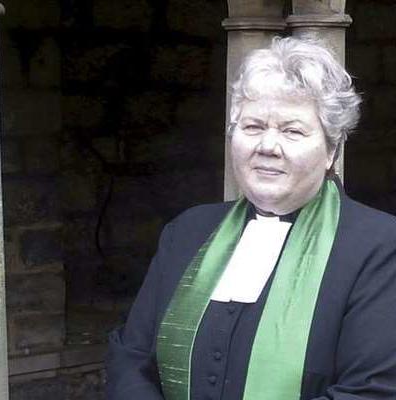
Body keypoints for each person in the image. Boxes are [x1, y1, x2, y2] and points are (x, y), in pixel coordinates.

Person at [106, 37, 396, 400]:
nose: (267, 146)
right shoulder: (188, 232)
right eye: (253, 126)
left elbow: (371, 392)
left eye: (292, 130)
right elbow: (130, 359)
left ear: (331, 150)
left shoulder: (379, 248)